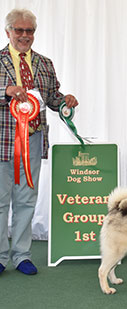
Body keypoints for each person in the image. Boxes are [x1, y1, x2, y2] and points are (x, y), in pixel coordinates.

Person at [0, 9, 78, 275]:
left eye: (29, 31)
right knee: (0, 201)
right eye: (19, 30)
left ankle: (21, 255)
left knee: (26, 199)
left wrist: (65, 101)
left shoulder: (44, 63)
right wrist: (6, 91)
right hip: (3, 141)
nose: (24, 36)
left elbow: (51, 98)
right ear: (8, 31)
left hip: (33, 140)